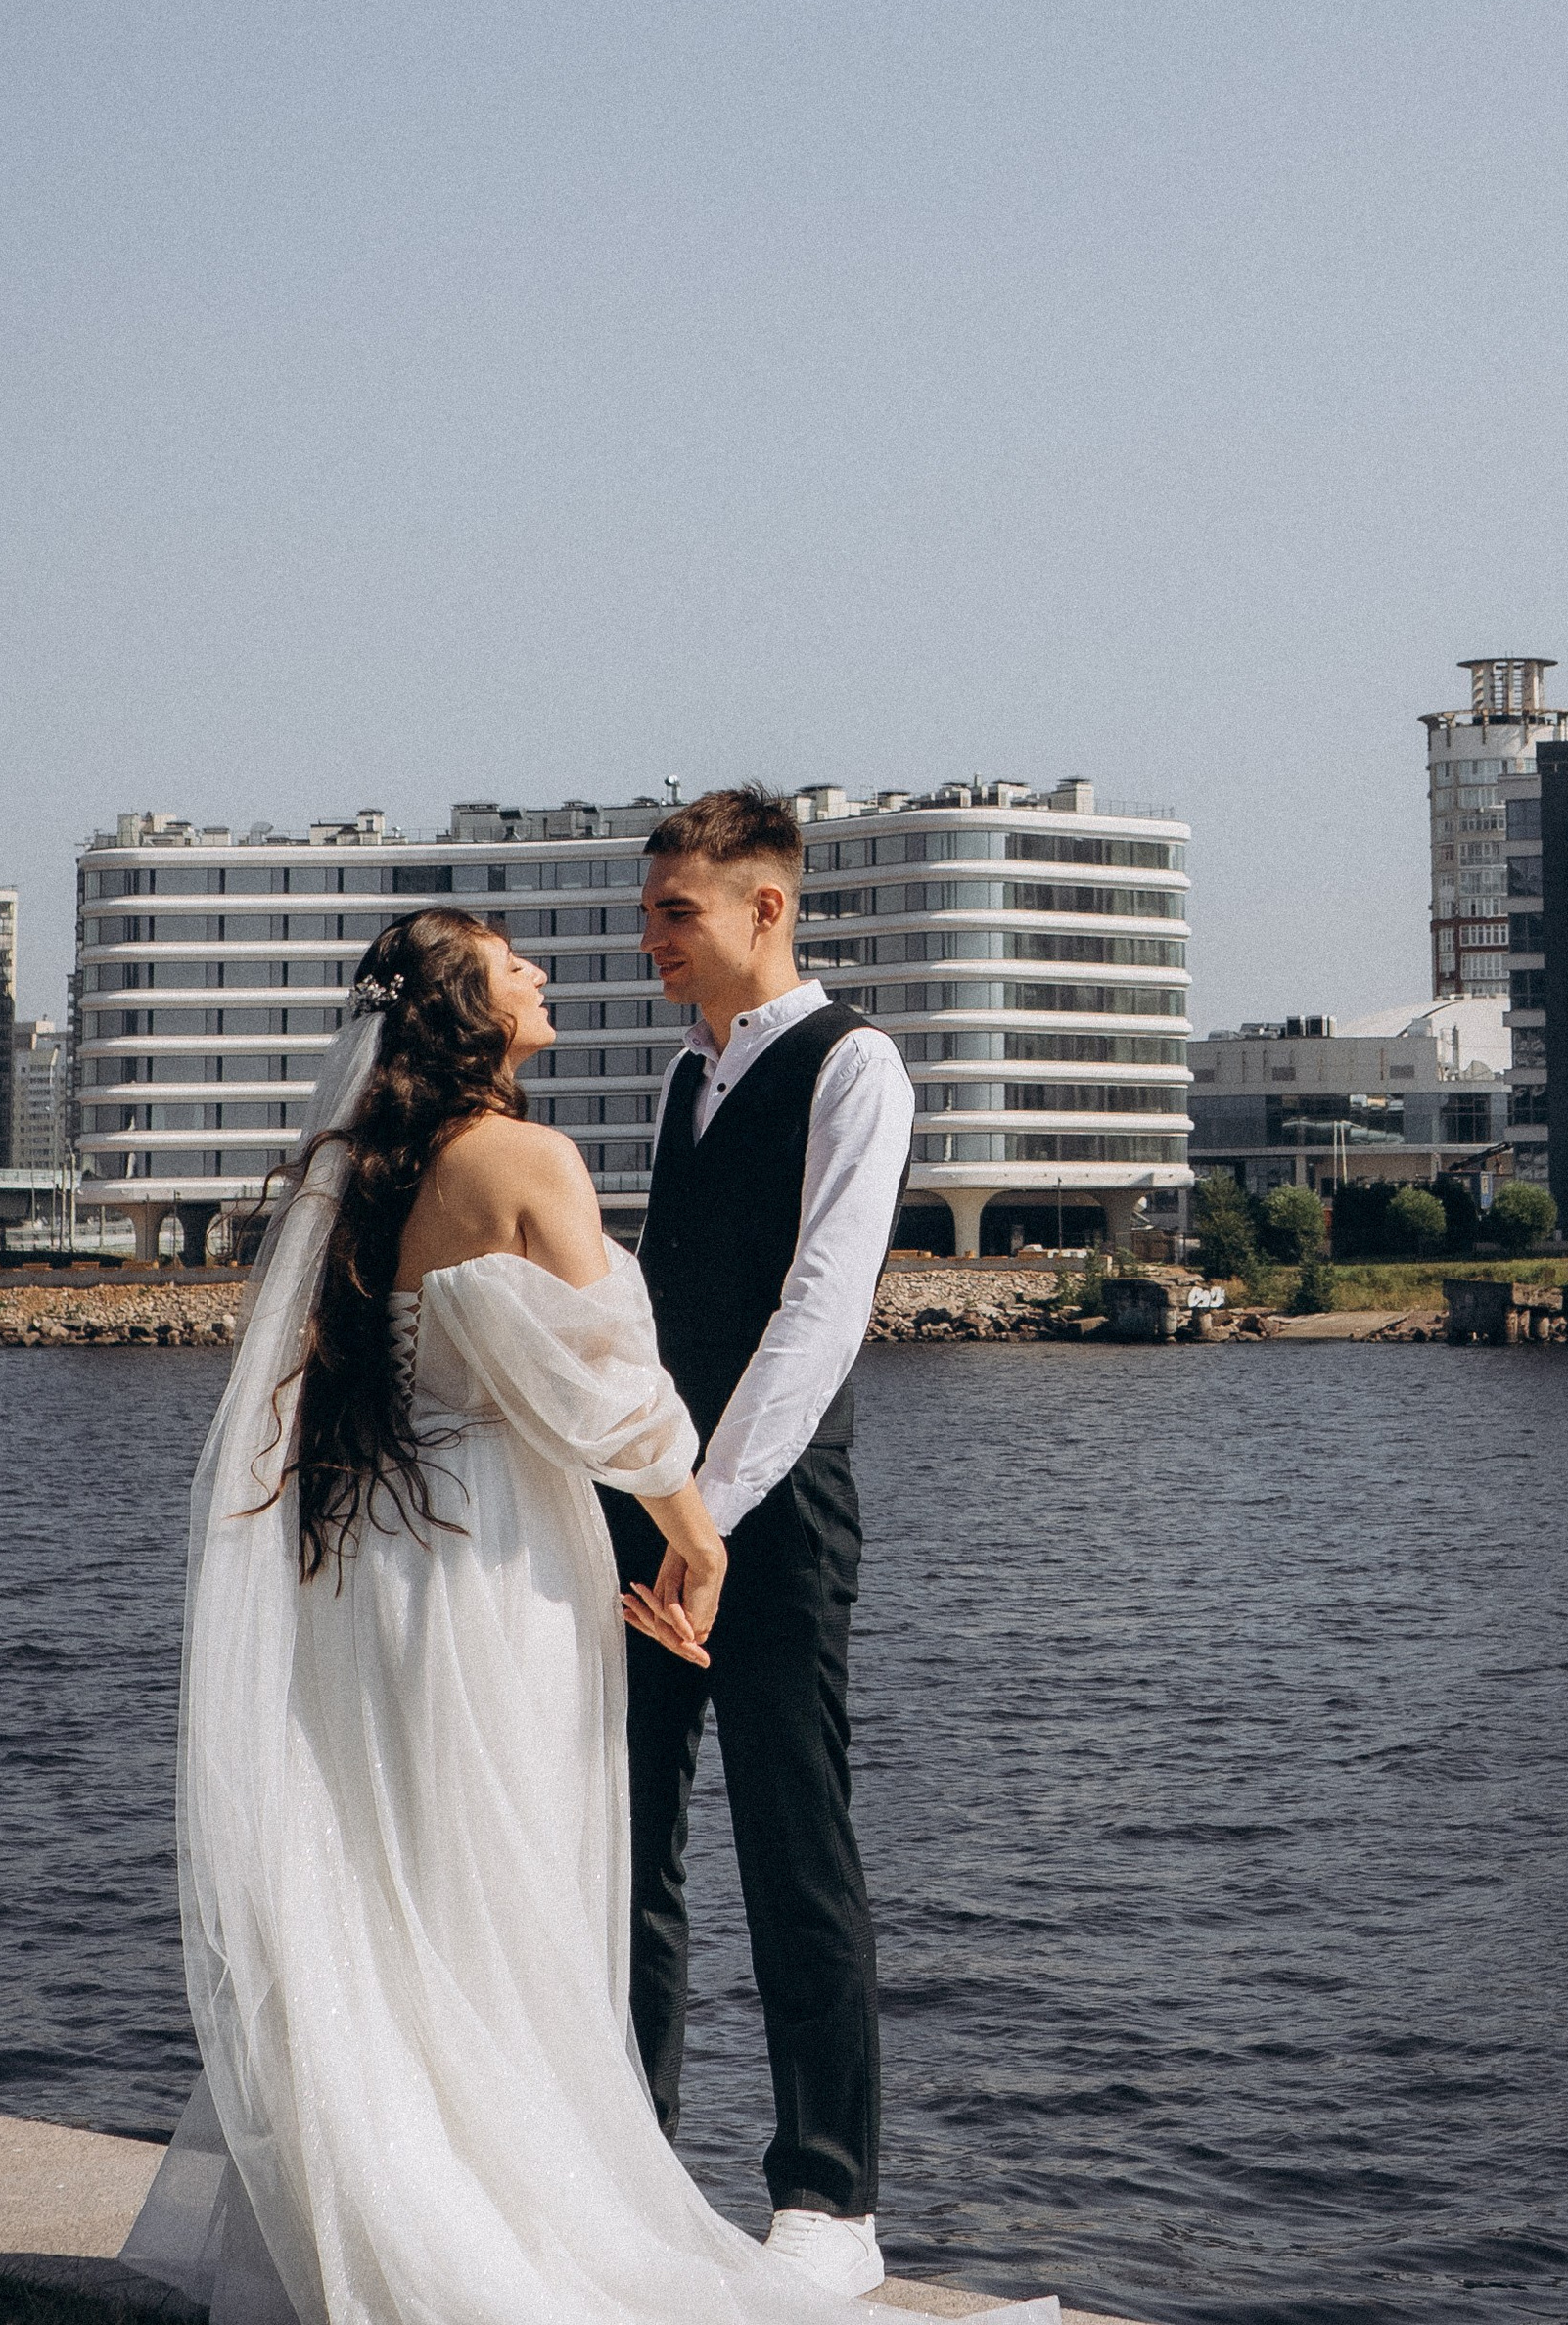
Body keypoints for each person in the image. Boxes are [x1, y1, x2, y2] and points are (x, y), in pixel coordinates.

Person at [121, 905, 1044, 2325]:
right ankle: (530, 2212)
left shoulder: (357, 1171)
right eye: (516, 966)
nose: (546, 973)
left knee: (405, 1881)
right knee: (519, 1884)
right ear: (471, 1014)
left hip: (378, 1568)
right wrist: (699, 1537)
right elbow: (620, 1394)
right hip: (494, 1566)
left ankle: (406, 2183)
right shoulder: (529, 1162)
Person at [612, 789, 915, 2303]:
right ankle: (629, 2160)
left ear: (764, 908)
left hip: (776, 1522)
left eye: (676, 910)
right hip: (653, 1511)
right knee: (629, 1846)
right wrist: (652, 1504)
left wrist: (708, 1519)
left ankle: (830, 2199)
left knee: (796, 1840)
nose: (650, 934)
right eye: (651, 906)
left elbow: (820, 1315)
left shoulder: (855, 1065)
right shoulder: (683, 1083)